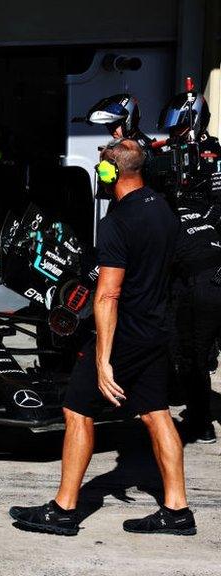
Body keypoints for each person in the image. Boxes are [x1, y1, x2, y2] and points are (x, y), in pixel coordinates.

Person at [9, 139, 195, 536]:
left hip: (125, 333)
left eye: (101, 168)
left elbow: (108, 294)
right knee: (157, 414)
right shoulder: (161, 208)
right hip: (156, 328)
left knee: (78, 410)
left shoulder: (118, 221)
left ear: (109, 174)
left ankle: (63, 509)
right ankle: (178, 511)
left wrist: (103, 359)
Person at [158, 86, 221, 444]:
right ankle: (199, 416)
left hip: (208, 267)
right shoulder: (165, 155)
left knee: (194, 351)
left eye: (178, 126)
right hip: (185, 269)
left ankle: (200, 420)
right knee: (187, 348)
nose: (173, 133)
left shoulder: (215, 156)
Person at [86, 93, 155, 151]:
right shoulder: (118, 148)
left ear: (128, 122)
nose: (113, 132)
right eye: (109, 126)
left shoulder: (146, 148)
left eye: (115, 126)